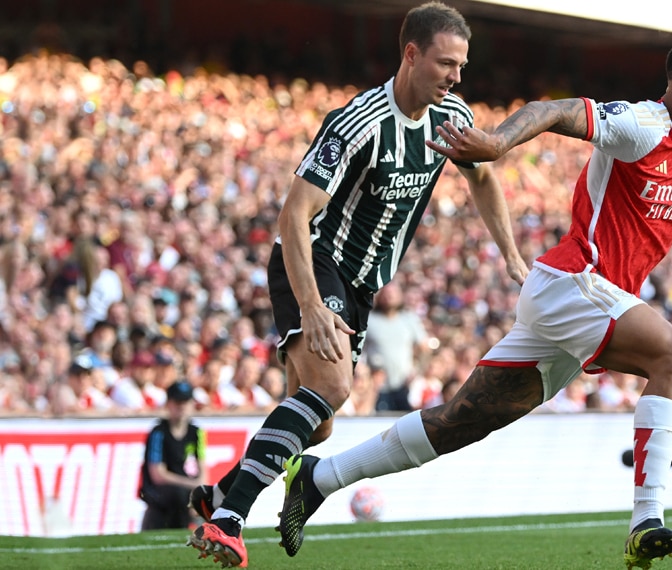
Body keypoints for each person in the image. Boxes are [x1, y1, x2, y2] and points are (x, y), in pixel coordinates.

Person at [275, 33, 672, 569]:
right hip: (574, 282)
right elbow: (556, 110)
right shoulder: (643, 125)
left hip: (586, 303)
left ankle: (319, 480)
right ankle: (646, 521)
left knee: (461, 422)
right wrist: (498, 143)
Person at [186, 2, 527, 567]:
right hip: (315, 261)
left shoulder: (452, 116)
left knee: (315, 425)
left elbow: (484, 176)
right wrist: (312, 305)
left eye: (462, 66)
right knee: (335, 386)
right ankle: (229, 520)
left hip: (364, 283)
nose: (456, 76)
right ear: (411, 54)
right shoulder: (358, 122)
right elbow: (294, 214)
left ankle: (214, 495)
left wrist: (511, 254)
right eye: (446, 63)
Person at [139, 381, 206, 530]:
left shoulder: (196, 432)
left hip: (184, 486)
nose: (181, 406)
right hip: (159, 490)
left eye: (185, 401)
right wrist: (192, 485)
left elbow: (203, 471)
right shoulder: (159, 432)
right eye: (177, 402)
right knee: (179, 495)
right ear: (168, 404)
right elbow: (158, 475)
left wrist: (199, 490)